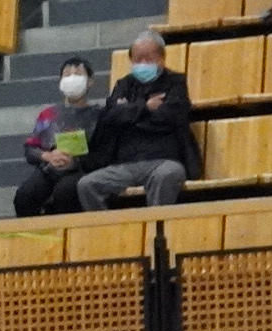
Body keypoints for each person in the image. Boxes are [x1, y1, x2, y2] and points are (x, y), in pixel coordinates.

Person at [77, 33, 198, 212]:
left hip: (164, 160)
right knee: (87, 184)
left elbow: (167, 118)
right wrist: (146, 108)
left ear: (161, 58)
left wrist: (129, 114)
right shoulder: (124, 85)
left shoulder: (175, 82)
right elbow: (110, 116)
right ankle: (109, 227)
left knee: (167, 175)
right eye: (138, 59)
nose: (143, 63)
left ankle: (156, 227)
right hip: (125, 164)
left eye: (148, 58)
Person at [15, 60, 99, 218]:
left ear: (90, 81)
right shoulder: (47, 114)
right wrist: (48, 156)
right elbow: (30, 149)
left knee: (65, 191)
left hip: (83, 170)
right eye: (67, 75)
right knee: (25, 195)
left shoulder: (99, 115)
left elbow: (104, 151)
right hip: (50, 168)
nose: (72, 78)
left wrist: (75, 162)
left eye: (78, 74)